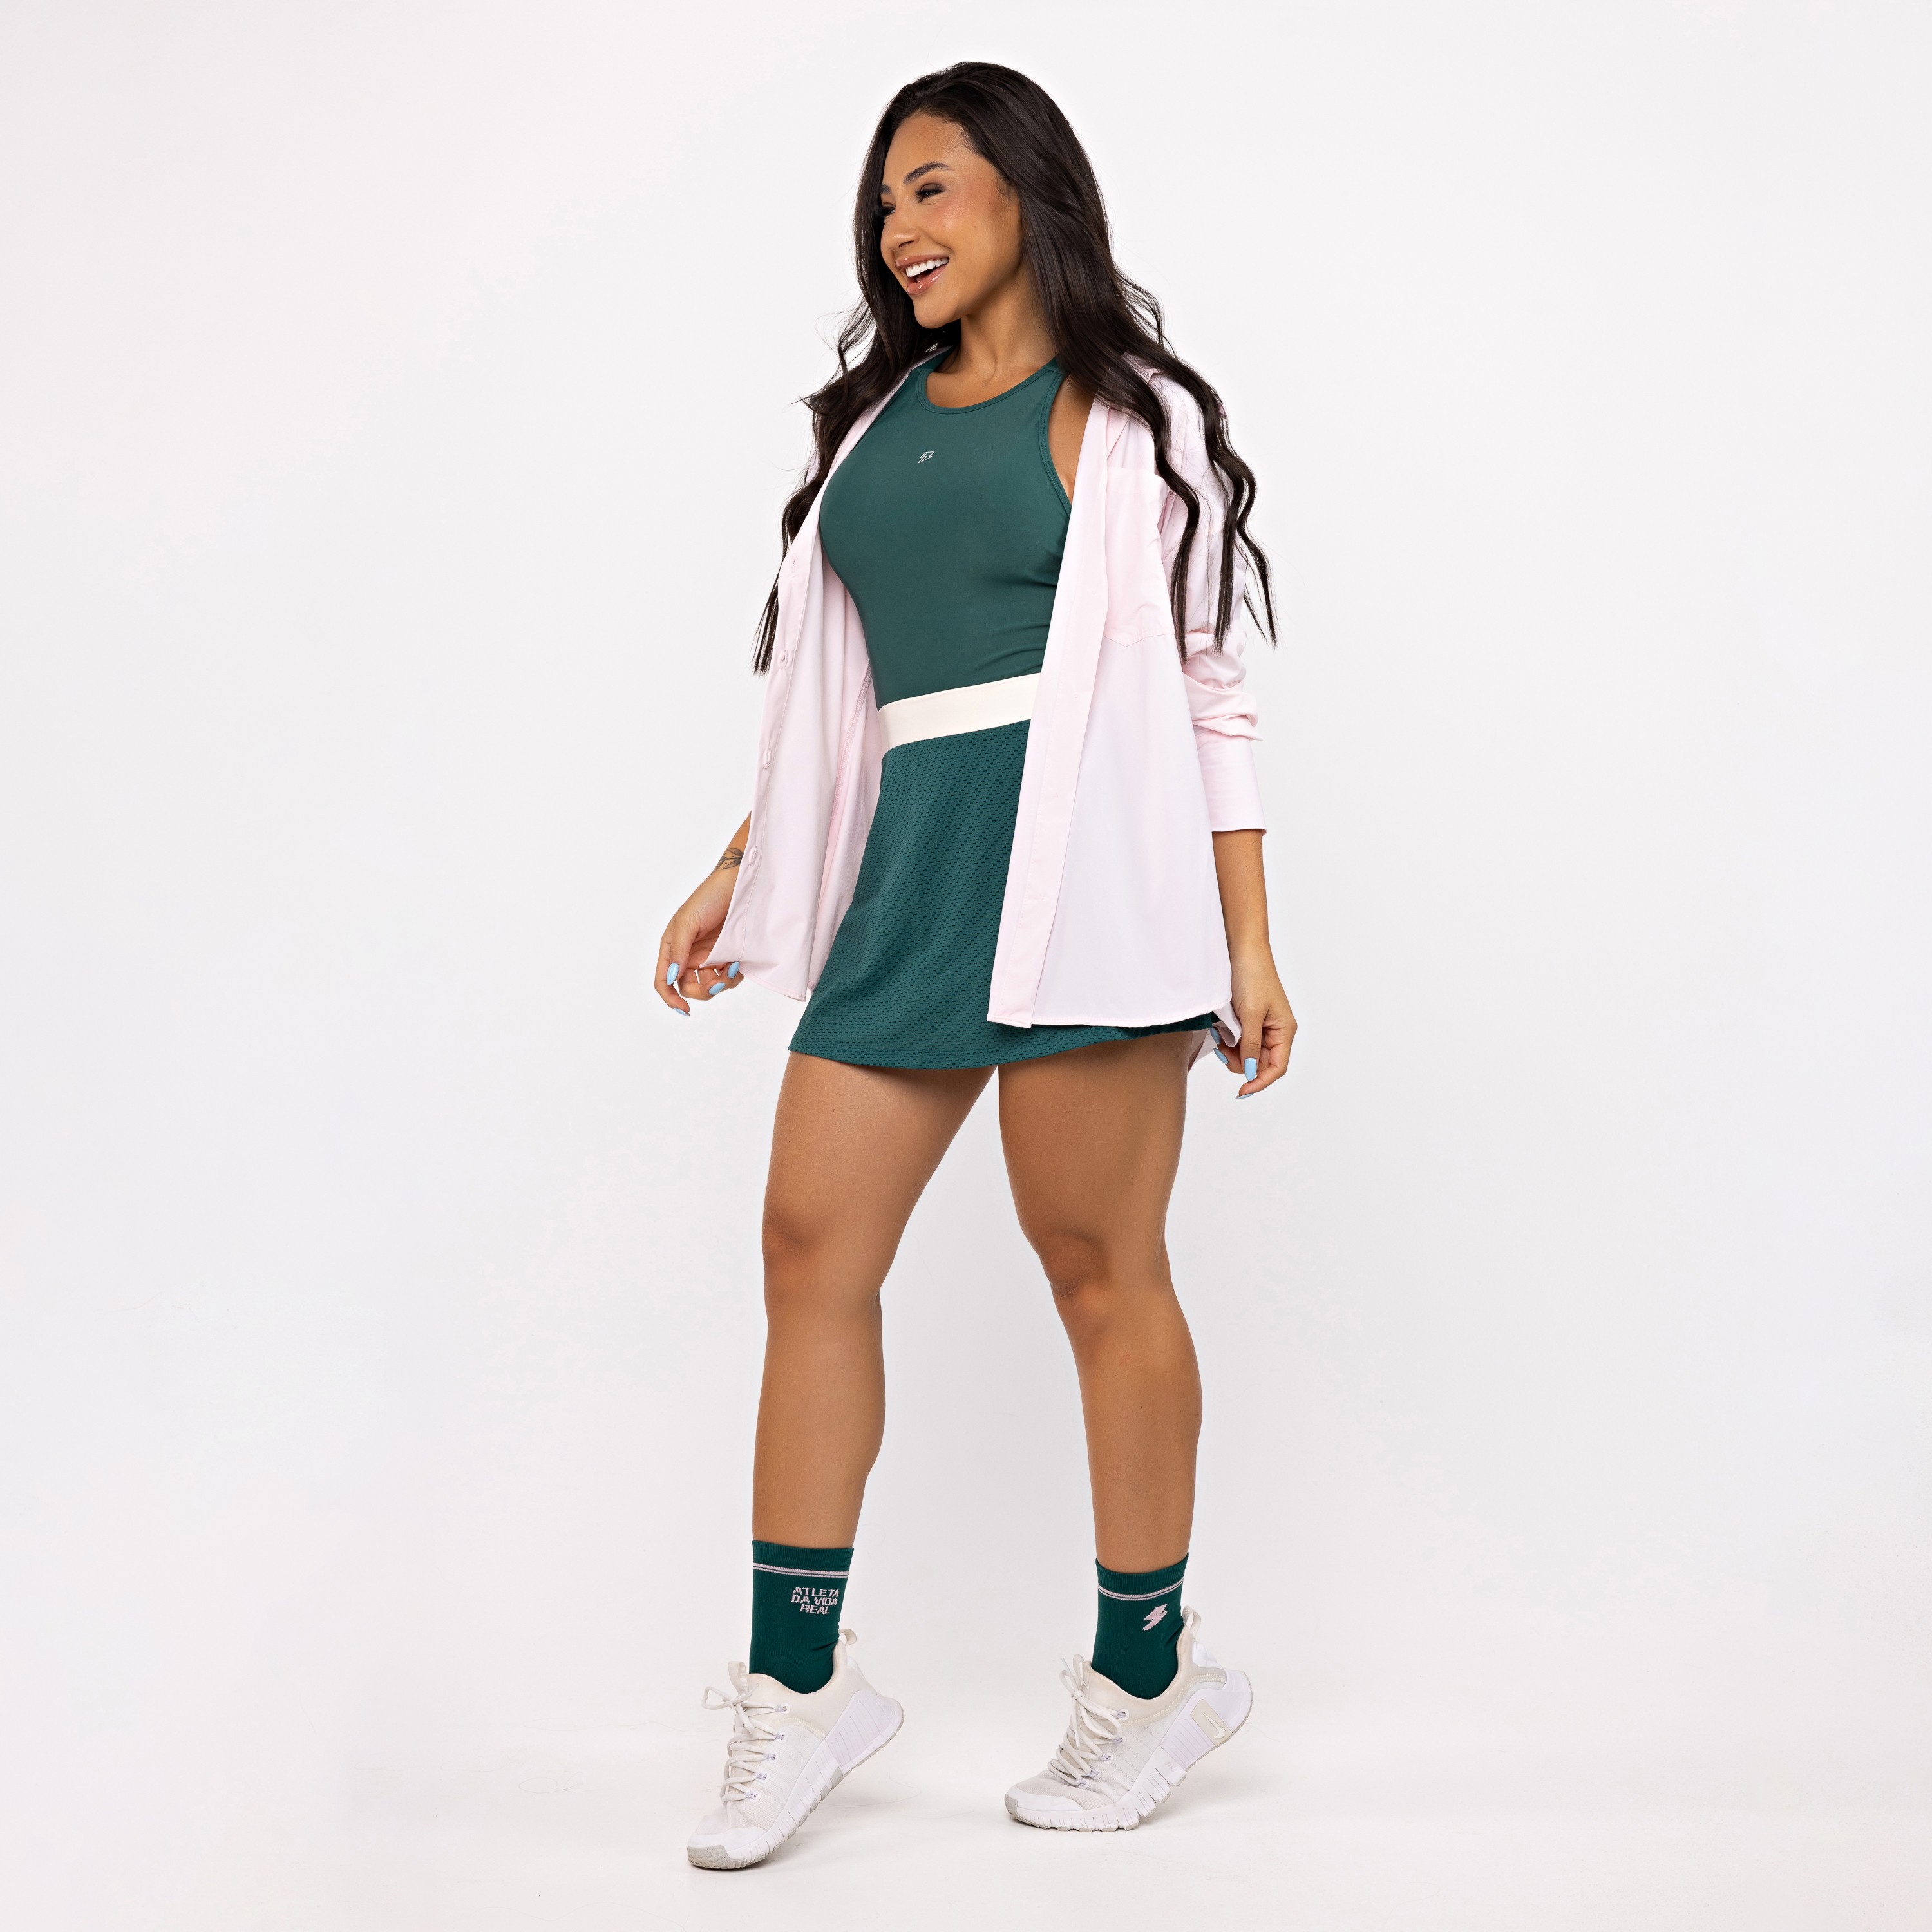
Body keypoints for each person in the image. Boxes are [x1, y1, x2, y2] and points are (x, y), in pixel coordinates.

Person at [657, 62, 1296, 1870]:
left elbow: (1208, 689)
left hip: (1092, 886)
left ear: (1026, 191)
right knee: (810, 1251)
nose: (901, 228)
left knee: (1098, 1268)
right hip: (910, 883)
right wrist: (740, 865)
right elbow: (838, 695)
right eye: (884, 203)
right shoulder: (875, 431)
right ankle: (798, 1693)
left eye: (931, 188)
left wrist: (1249, 943)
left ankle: (1152, 1680)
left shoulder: (1132, 419)